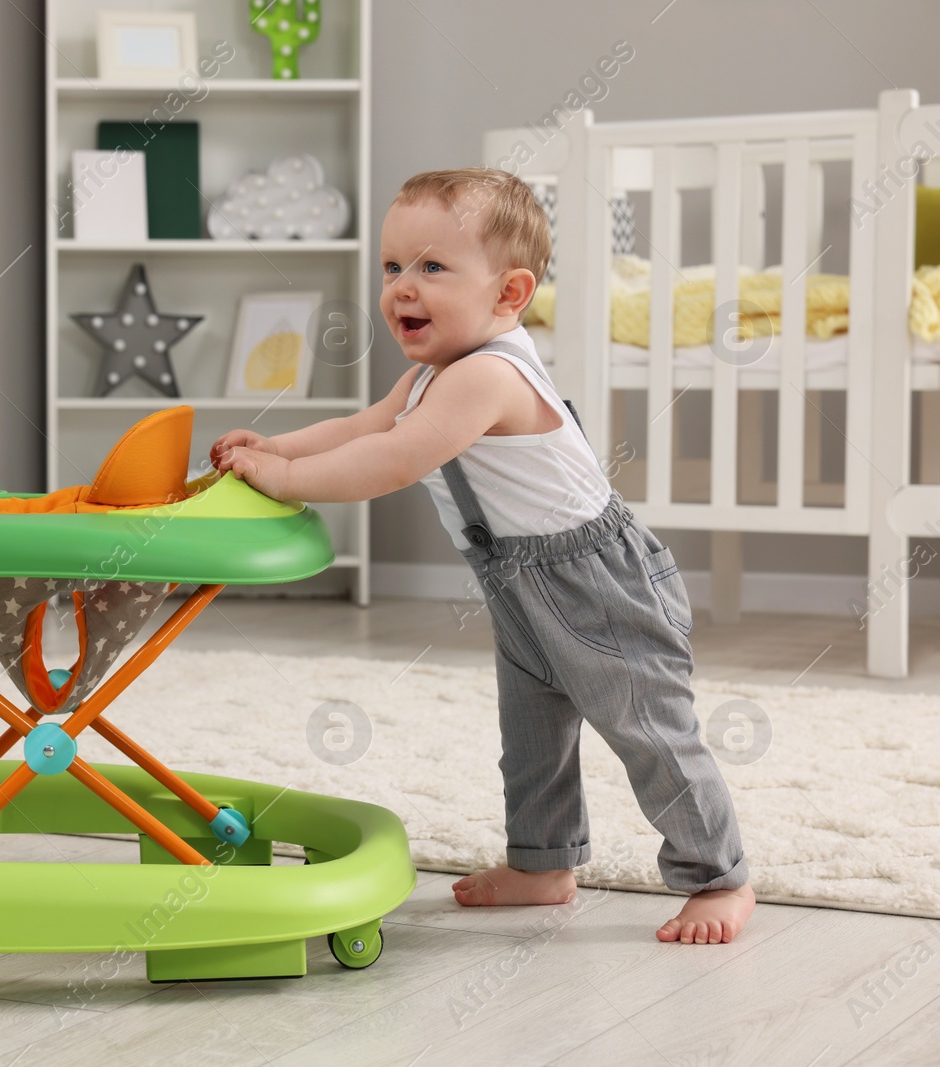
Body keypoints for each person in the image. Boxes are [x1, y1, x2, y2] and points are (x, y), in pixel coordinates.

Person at [211, 167, 754, 945]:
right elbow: (368, 427)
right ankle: (543, 861)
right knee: (532, 732)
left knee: (649, 731)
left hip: (597, 583)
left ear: (508, 294)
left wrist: (285, 478)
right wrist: (278, 443)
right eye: (393, 267)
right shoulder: (433, 374)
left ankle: (719, 876)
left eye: (432, 267)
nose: (403, 287)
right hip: (519, 584)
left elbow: (393, 461)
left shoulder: (489, 376)